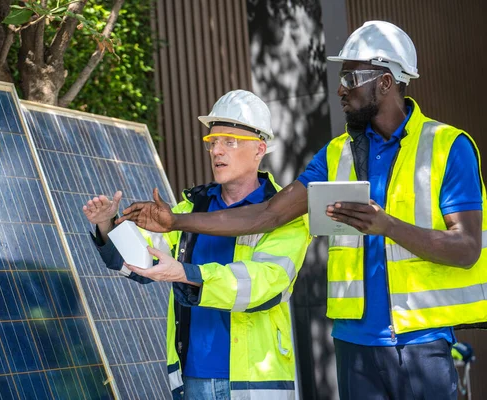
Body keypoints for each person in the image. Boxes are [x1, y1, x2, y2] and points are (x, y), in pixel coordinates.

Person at [119, 21, 487, 400]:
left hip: (421, 342)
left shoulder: (447, 146)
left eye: (351, 78)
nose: (340, 89)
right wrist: (175, 220)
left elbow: (466, 248)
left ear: (386, 82)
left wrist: (388, 226)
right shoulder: (334, 154)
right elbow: (267, 215)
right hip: (353, 343)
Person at [83, 90, 311, 400]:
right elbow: (141, 261)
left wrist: (187, 272)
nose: (217, 151)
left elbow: (264, 284)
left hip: (255, 381)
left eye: (229, 141)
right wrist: (107, 224)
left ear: (260, 149)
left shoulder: (284, 212)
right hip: (192, 376)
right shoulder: (190, 209)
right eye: (213, 142)